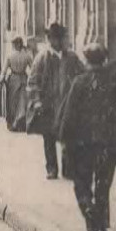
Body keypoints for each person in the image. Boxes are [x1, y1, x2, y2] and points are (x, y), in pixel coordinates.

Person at [57, 43, 116, 231]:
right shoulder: (113, 84)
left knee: (82, 182)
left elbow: (69, 114)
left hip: (84, 144)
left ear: (86, 60)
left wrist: (65, 139)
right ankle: (101, 225)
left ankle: (89, 210)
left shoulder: (79, 82)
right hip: (108, 143)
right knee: (103, 183)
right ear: (104, 60)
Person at [25, 23, 84, 180]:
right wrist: (37, 101)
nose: (56, 42)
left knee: (68, 137)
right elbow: (32, 83)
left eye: (59, 38)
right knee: (49, 138)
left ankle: (68, 168)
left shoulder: (72, 57)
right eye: (53, 39)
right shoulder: (42, 59)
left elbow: (83, 75)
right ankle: (52, 168)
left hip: (66, 105)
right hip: (48, 106)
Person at [1, 36, 34, 133]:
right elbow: (33, 69)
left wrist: (1, 79)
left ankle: (14, 124)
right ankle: (21, 123)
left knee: (13, 103)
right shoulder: (27, 55)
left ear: (16, 44)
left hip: (13, 80)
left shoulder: (10, 56)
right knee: (23, 102)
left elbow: (4, 70)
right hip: (24, 78)